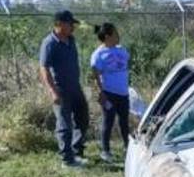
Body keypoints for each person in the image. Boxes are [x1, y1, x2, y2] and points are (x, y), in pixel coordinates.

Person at [39, 10, 91, 168]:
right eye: (70, 24)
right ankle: (67, 160)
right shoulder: (49, 43)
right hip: (61, 89)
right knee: (64, 124)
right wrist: (53, 91)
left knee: (82, 118)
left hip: (75, 86)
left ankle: (76, 151)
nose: (73, 27)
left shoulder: (71, 40)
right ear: (59, 24)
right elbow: (44, 68)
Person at [90, 22, 130, 163]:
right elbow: (96, 77)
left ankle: (128, 148)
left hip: (123, 93)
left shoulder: (122, 50)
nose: (118, 36)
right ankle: (105, 151)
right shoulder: (98, 55)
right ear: (107, 36)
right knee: (108, 121)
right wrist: (101, 93)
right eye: (115, 33)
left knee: (124, 122)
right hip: (109, 94)